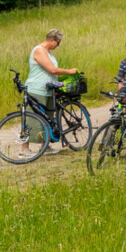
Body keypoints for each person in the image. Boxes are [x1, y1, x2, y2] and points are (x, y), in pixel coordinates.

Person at [23, 29, 79, 157]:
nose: (58, 46)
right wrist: (69, 71)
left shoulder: (49, 52)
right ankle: (24, 150)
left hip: (48, 89)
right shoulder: (39, 50)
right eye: (58, 43)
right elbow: (52, 70)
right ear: (52, 40)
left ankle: (45, 146)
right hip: (36, 89)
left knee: (47, 117)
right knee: (32, 118)